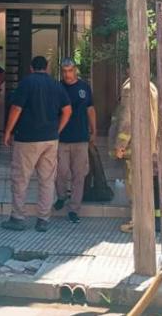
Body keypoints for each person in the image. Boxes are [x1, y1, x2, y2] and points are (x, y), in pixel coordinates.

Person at [1, 56, 72, 232]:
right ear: (47, 67)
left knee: (21, 179)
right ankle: (43, 219)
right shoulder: (56, 85)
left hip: (27, 138)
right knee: (47, 180)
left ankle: (18, 217)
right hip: (50, 139)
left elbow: (16, 108)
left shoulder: (26, 83)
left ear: (31, 68)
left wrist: (8, 131)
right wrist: (57, 130)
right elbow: (67, 110)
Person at [109, 77, 159, 234]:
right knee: (144, 184)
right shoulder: (151, 86)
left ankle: (136, 222)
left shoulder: (130, 88)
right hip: (148, 145)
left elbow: (126, 120)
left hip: (134, 148)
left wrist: (120, 145)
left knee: (134, 186)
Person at [54, 58, 96, 224]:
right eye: (64, 71)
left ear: (75, 70)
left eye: (70, 71)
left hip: (80, 138)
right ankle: (62, 196)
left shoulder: (84, 87)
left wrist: (94, 130)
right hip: (62, 138)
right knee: (61, 172)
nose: (67, 74)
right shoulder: (57, 87)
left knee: (79, 174)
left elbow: (91, 109)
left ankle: (74, 209)